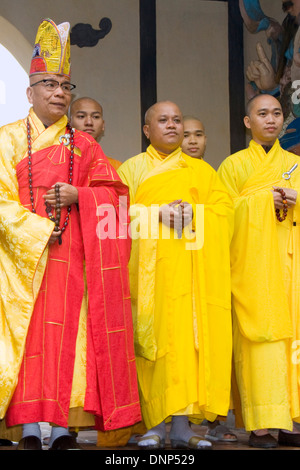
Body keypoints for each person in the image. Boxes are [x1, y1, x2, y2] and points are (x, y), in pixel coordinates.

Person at [0, 18, 141, 450]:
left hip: (76, 256)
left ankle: (63, 427)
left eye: (66, 85)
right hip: (23, 259)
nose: (59, 93)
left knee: (71, 339)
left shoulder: (87, 147)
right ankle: (26, 426)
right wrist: (38, 230)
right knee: (29, 338)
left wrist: (81, 194)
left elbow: (117, 202)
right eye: (48, 84)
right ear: (30, 92)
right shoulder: (6, 141)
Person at [117, 100, 234, 450]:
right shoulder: (131, 170)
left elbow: (224, 212)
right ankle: (151, 424)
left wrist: (196, 215)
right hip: (147, 277)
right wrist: (155, 214)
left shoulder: (202, 172)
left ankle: (182, 426)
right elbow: (112, 214)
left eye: (177, 120)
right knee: (151, 346)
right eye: (163, 120)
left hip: (190, 276)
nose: (172, 125)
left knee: (185, 345)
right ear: (146, 130)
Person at [218, 93, 300, 448]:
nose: (271, 119)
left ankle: (292, 420)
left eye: (277, 113)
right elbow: (220, 215)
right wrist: (261, 201)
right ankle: (261, 423)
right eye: (262, 113)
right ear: (247, 122)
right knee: (260, 344)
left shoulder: (295, 165)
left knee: (292, 343)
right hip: (253, 268)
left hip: (291, 266)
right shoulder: (233, 166)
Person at [181, 115, 237, 444]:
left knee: (214, 343)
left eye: (198, 135)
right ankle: (179, 419)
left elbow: (227, 214)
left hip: (209, 271)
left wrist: (196, 213)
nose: (192, 141)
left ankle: (215, 419)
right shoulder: (166, 172)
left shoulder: (213, 176)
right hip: (176, 274)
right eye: (186, 135)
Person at [70, 97, 122, 170]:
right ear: (69, 124)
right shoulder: (58, 162)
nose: (89, 122)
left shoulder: (115, 167)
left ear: (103, 125)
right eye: (81, 116)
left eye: (95, 117)